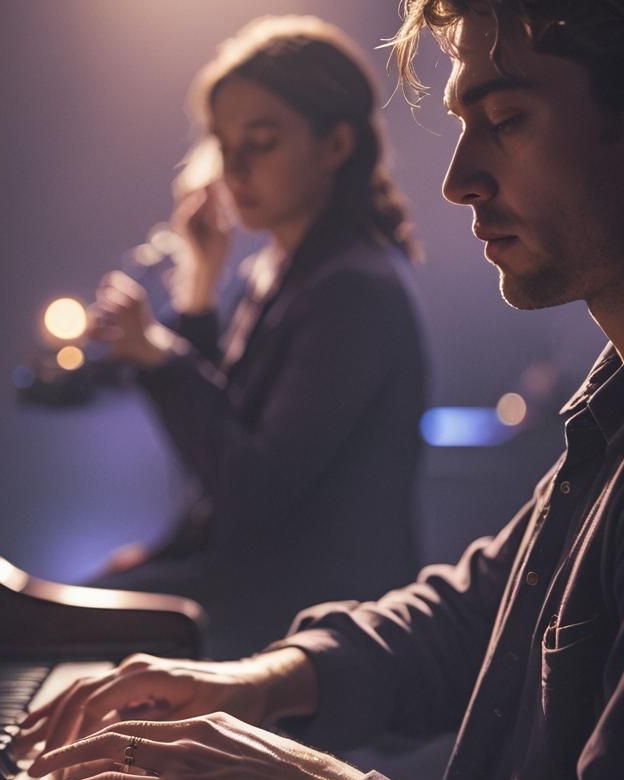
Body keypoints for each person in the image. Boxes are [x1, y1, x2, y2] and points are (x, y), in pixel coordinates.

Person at [21, 1, 624, 780]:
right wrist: (258, 681)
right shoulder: (615, 401)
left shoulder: (353, 288)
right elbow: (472, 608)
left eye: (509, 117)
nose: (457, 177)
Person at [88, 16, 427, 658]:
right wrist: (198, 291)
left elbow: (253, 488)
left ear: (335, 146)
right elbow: (223, 439)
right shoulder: (274, 268)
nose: (234, 167)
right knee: (93, 596)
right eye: (224, 142)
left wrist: (161, 356)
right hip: (252, 589)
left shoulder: (352, 289)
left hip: (312, 623)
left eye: (262, 142)